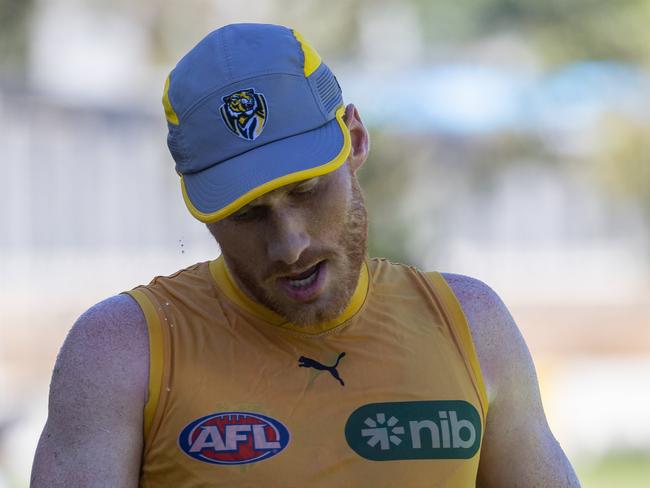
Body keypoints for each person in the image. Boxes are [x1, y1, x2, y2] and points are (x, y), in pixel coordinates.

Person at [31, 23, 581, 487]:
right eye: (247, 213)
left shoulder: (471, 327)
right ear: (199, 209)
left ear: (356, 138)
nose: (289, 244)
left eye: (305, 190)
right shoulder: (123, 355)